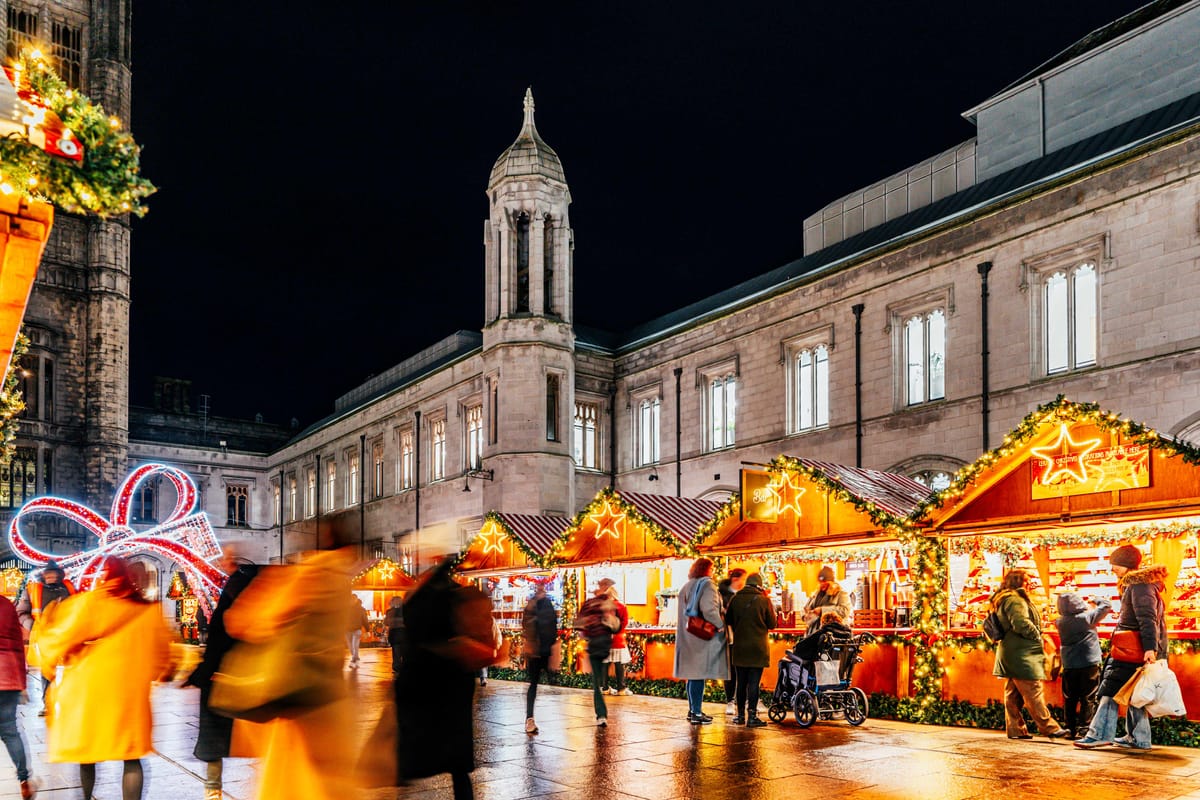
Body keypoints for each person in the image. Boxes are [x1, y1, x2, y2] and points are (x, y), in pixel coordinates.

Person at [224, 548, 359, 799]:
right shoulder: (341, 580)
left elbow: (244, 620)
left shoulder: (305, 576)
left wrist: (247, 582)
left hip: (295, 693)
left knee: (294, 780)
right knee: (331, 780)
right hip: (330, 696)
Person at [34, 556, 172, 800]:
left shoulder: (88, 603)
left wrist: (50, 666)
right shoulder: (149, 611)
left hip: (89, 693)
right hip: (129, 694)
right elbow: (163, 657)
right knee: (131, 756)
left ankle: (86, 798)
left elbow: (57, 640)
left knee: (88, 755)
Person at [396, 556, 481, 800]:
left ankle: (406, 774)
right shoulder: (456, 595)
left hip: (423, 676)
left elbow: (414, 633)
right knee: (457, 758)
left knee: (415, 741)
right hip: (455, 679)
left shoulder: (417, 599)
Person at [184, 544, 260, 800]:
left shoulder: (236, 588)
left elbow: (223, 637)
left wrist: (203, 672)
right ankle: (215, 788)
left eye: (224, 559)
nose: (219, 564)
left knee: (216, 736)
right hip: (234, 671)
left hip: (226, 675)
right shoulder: (238, 586)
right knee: (223, 737)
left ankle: (213, 790)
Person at [1076, 545, 1167, 751]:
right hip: (1137, 647)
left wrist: (1150, 648)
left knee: (1111, 688)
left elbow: (1147, 619)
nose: (1112, 569)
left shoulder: (1139, 586)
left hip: (1132, 649)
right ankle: (1139, 738)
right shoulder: (1140, 585)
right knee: (1135, 692)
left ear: (1125, 564)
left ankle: (1099, 734)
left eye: (1114, 564)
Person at [989, 569, 1071, 740]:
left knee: (1013, 693)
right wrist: (1037, 635)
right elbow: (1020, 623)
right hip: (1021, 653)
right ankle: (1049, 727)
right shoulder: (1015, 600)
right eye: (1028, 580)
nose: (1031, 584)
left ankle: (1015, 729)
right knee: (1033, 689)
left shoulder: (1005, 598)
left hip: (1011, 652)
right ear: (1020, 582)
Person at [16, 560, 76, 716]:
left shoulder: (69, 588)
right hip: (44, 636)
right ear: (43, 575)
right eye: (48, 573)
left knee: (72, 670)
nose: (51, 576)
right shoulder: (33, 589)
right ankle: (47, 703)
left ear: (59, 575)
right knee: (47, 671)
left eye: (54, 573)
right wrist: (34, 626)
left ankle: (71, 702)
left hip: (67, 634)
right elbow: (21, 612)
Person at [673, 557, 728, 725]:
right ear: (707, 569)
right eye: (712, 569)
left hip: (687, 635)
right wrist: (720, 625)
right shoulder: (707, 585)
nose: (713, 572)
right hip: (701, 637)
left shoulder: (687, 586)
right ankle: (696, 712)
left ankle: (692, 710)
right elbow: (709, 610)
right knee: (698, 675)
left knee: (692, 676)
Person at [1054, 591, 1112, 739]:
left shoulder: (1059, 621)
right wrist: (1095, 598)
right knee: (1088, 697)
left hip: (1069, 663)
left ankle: (1069, 728)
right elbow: (1106, 605)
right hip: (1088, 662)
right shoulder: (1087, 618)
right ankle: (1084, 729)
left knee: (1070, 697)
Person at [724, 572, 776, 727]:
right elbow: (772, 624)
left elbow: (728, 620)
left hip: (739, 647)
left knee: (741, 683)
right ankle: (752, 717)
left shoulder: (735, 599)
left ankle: (740, 716)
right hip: (757, 648)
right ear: (759, 585)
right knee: (753, 683)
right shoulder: (764, 600)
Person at [0, 593, 37, 799]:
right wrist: (22, 683)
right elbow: (16, 644)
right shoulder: (5, 605)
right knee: (10, 732)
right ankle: (24, 780)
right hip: (7, 677)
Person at [576, 583, 617, 727]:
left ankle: (601, 714)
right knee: (601, 673)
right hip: (606, 644)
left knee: (596, 681)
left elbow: (579, 624)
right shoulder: (609, 605)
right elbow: (616, 627)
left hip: (594, 644)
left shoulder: (588, 604)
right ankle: (605, 689)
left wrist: (586, 633)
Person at [521, 583, 558, 735]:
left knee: (534, 685)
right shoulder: (537, 605)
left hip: (540, 650)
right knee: (533, 685)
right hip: (537, 650)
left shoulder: (534, 605)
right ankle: (529, 718)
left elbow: (550, 626)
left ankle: (529, 718)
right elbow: (551, 626)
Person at [718, 568, 747, 715]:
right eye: (743, 579)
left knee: (743, 670)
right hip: (728, 637)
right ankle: (730, 701)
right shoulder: (722, 595)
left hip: (743, 638)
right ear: (736, 579)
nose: (744, 582)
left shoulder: (742, 594)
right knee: (730, 671)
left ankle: (745, 700)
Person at [600, 579, 633, 696]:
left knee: (605, 663)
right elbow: (624, 622)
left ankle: (604, 688)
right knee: (619, 663)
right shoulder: (621, 606)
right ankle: (621, 688)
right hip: (617, 639)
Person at [801, 566, 852, 635]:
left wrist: (822, 610)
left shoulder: (841, 593)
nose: (822, 584)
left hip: (834, 633)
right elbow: (805, 607)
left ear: (831, 582)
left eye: (825, 582)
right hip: (814, 633)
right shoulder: (816, 594)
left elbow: (845, 610)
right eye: (820, 582)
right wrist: (805, 614)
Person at [384, 596, 405, 675]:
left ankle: (397, 667)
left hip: (394, 634)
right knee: (404, 652)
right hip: (404, 633)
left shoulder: (389, 612)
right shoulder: (405, 610)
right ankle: (404, 667)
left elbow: (386, 623)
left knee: (396, 652)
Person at [346, 594, 368, 668]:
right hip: (348, 630)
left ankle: (353, 661)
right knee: (350, 647)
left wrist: (367, 630)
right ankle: (357, 659)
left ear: (356, 599)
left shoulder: (361, 609)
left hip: (357, 629)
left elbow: (365, 619)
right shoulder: (346, 608)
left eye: (353, 599)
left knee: (355, 646)